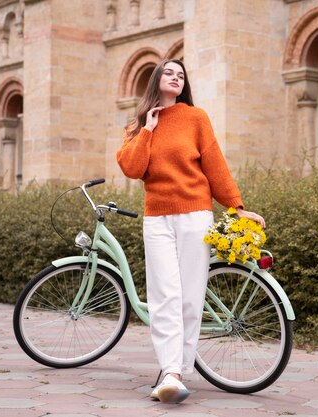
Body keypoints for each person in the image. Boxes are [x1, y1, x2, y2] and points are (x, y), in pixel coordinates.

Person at [116, 58, 265, 404]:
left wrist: (237, 207)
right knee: (163, 295)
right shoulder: (139, 125)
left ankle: (176, 372)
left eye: (180, 75)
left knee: (189, 297)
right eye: (169, 72)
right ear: (156, 79)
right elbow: (133, 168)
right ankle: (171, 371)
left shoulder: (196, 118)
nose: (175, 78)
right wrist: (149, 129)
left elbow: (215, 165)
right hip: (157, 219)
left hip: (195, 215)